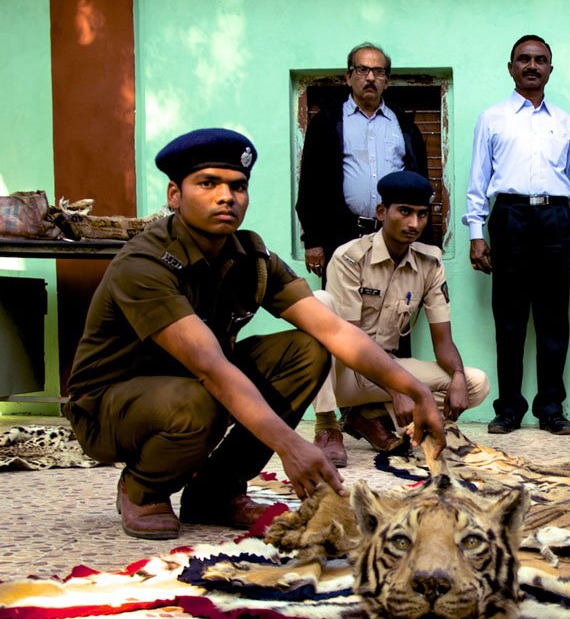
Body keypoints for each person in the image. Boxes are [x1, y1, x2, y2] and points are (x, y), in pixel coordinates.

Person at [64, 128, 445, 541]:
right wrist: (290, 445)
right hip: (109, 407)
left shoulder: (250, 258)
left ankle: (216, 491)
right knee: (197, 402)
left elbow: (334, 330)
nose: (226, 197)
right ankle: (143, 489)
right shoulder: (145, 263)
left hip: (192, 384)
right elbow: (210, 368)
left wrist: (414, 391)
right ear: (174, 195)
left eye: (238, 186)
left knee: (308, 351)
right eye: (208, 184)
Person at [464, 34, 570, 436]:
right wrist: (476, 233)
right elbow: (477, 180)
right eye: (524, 59)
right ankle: (508, 409)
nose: (532, 66)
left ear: (550, 69)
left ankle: (551, 408)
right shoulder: (492, 118)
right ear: (511, 68)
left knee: (554, 319)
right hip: (510, 217)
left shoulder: (565, 122)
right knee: (510, 320)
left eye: (540, 60)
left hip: (556, 218)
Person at [311, 171, 489, 465]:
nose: (414, 224)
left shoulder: (429, 263)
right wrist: (396, 389)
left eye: (422, 214)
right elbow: (352, 342)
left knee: (475, 383)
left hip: (386, 368)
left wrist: (457, 377)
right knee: (319, 303)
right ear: (382, 212)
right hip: (342, 372)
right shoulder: (349, 257)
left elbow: (443, 341)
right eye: (405, 212)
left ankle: (368, 415)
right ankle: (327, 426)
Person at [295, 42, 430, 282]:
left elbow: (419, 185)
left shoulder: (404, 125)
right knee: (341, 305)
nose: (370, 78)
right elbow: (310, 184)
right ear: (348, 77)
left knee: (395, 302)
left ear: (386, 81)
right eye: (362, 70)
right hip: (341, 237)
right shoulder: (327, 122)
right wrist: (312, 241)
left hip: (395, 238)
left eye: (378, 71)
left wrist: (420, 238)